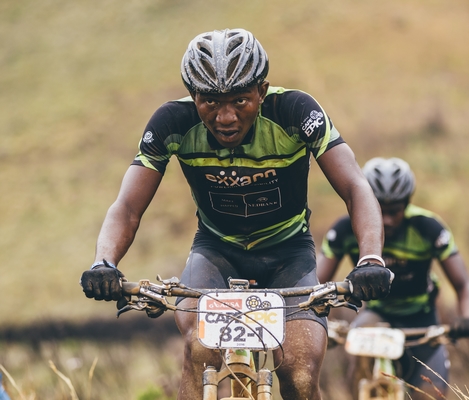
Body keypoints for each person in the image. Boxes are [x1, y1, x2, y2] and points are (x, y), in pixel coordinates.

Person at [79, 28, 393, 400]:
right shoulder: (171, 123)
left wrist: (370, 257)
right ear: (193, 95)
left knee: (299, 371)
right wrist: (104, 262)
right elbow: (128, 207)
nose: (225, 116)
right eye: (210, 102)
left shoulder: (296, 111)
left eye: (241, 100)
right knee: (200, 350)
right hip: (216, 252)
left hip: (288, 254)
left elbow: (356, 187)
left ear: (262, 90)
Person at [317, 157, 469, 400]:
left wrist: (467, 318)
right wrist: (316, 322)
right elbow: (317, 285)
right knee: (359, 353)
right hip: (377, 315)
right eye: (379, 209)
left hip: (422, 321)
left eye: (394, 211)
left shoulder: (428, 228)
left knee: (431, 394)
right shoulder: (344, 230)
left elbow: (464, 285)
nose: (386, 220)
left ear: (407, 203)